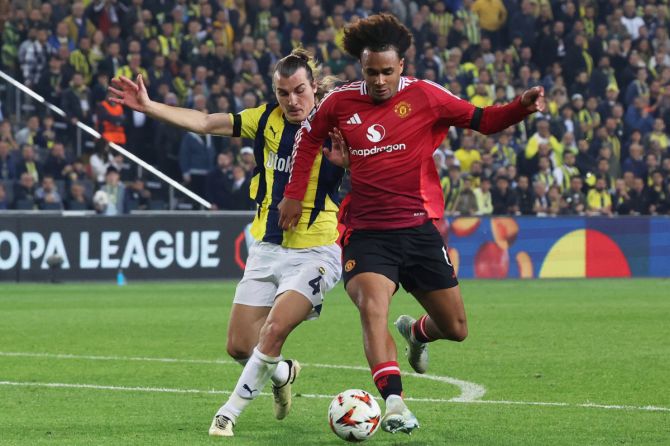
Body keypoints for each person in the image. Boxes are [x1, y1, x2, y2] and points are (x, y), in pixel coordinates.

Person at [278, 14, 544, 434]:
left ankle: (418, 333)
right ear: (360, 68)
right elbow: (308, 138)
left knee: (455, 329)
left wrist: (520, 109)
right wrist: (294, 195)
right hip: (366, 232)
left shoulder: (427, 95)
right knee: (372, 309)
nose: (379, 80)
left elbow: (484, 120)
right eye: (370, 72)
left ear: (401, 65)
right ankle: (396, 403)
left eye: (387, 71)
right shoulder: (340, 102)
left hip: (417, 229)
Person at [108, 48, 344, 438]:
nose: (292, 101)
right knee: (238, 346)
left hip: (316, 252)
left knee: (273, 331)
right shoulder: (264, 119)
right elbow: (203, 121)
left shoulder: (335, 125)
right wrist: (149, 107)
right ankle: (282, 372)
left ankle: (227, 414)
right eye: (283, 93)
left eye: (299, 90)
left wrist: (348, 163)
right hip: (268, 249)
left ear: (314, 88)